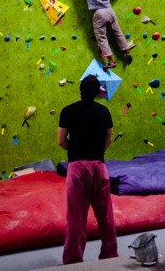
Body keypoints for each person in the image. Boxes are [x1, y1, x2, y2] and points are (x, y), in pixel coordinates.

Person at [57, 74, 118, 264]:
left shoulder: (68, 111)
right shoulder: (104, 112)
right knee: (106, 216)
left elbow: (61, 141)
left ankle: (73, 261)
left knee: (76, 218)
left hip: (77, 168)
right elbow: (108, 139)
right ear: (98, 93)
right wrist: (97, 151)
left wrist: (75, 150)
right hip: (99, 167)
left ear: (80, 91)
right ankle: (110, 257)